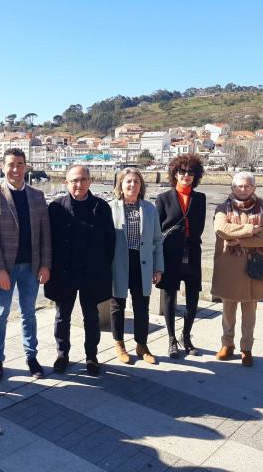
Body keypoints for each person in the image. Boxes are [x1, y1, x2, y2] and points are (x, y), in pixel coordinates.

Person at [0, 148, 52, 381]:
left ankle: (31, 356)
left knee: (29, 313)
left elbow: (45, 235)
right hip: (6, 269)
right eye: (11, 164)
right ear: (3, 167)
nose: (15, 169)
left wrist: (45, 265)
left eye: (20, 164)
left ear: (26, 167)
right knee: (0, 313)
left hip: (31, 267)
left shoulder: (37, 196)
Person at [44, 166, 115, 376]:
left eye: (83, 180)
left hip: (92, 273)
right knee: (61, 316)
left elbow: (110, 241)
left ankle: (91, 356)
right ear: (67, 183)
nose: (79, 184)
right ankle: (62, 354)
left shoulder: (101, 207)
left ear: (90, 181)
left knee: (91, 317)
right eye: (74, 180)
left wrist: (103, 268)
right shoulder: (56, 207)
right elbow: (48, 240)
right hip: (64, 272)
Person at [211, 172, 263, 367]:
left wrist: (240, 240)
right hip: (229, 266)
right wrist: (252, 229)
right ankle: (227, 344)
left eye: (247, 186)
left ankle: (246, 348)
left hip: (254, 266)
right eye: (239, 186)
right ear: (232, 188)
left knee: (250, 311)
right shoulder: (222, 207)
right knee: (228, 310)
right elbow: (222, 230)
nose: (243, 189)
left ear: (254, 188)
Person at [109, 168, 164, 365]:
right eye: (128, 181)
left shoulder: (149, 209)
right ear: (121, 185)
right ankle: (119, 344)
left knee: (142, 306)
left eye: (136, 181)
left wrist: (158, 268)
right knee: (118, 306)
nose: (132, 185)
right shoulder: (111, 208)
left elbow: (157, 240)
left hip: (143, 263)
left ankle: (142, 345)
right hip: (118, 263)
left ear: (141, 185)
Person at [156, 154, 206, 358]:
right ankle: (171, 339)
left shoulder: (200, 198)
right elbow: (158, 230)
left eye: (190, 172)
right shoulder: (163, 198)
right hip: (170, 253)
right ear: (175, 174)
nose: (186, 175)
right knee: (170, 298)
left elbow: (199, 228)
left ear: (196, 176)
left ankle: (186, 336)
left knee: (193, 299)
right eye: (182, 171)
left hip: (192, 252)